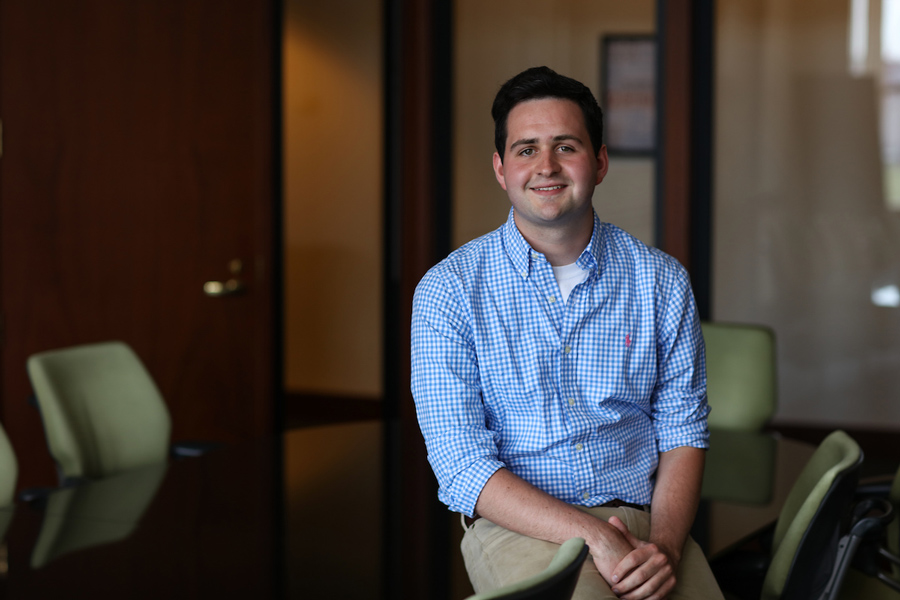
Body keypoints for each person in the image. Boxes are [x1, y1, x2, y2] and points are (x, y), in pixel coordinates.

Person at [410, 66, 723, 600]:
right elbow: (461, 463)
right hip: (520, 528)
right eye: (526, 149)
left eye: (566, 146)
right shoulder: (450, 290)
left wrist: (667, 547)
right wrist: (593, 536)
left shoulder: (661, 281)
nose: (546, 166)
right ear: (500, 168)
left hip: (647, 523)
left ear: (599, 162)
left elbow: (682, 431)